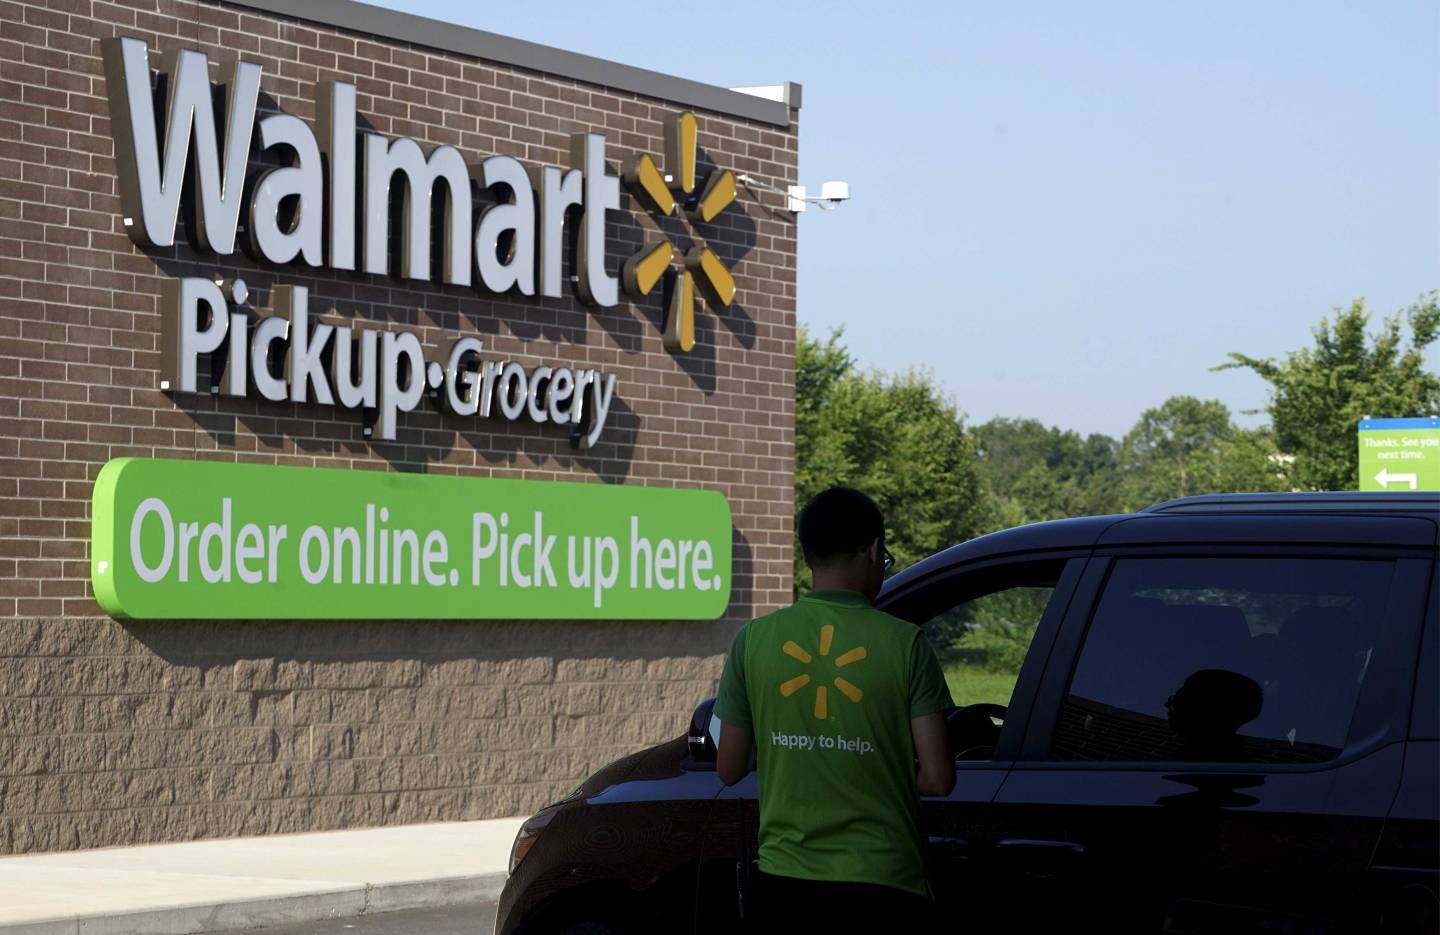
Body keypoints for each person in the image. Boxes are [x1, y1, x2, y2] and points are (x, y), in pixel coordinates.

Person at [713, 486, 955, 931]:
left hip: (785, 883)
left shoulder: (753, 642)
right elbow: (939, 777)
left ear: (807, 557)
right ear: (873, 549)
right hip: (887, 885)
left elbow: (728, 768)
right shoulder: (906, 645)